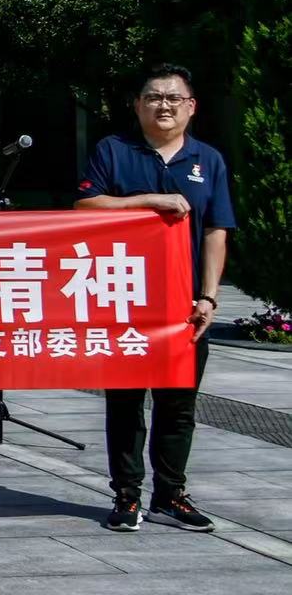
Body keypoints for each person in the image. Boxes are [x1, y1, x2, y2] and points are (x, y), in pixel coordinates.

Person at [74, 63, 235, 534]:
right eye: (153, 97)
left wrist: (208, 296)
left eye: (172, 97)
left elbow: (216, 231)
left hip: (184, 307)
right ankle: (127, 495)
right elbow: (86, 205)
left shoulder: (208, 159)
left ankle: (170, 495)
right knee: (125, 403)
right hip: (125, 302)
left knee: (178, 405)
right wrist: (148, 200)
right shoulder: (114, 150)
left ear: (191, 107)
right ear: (138, 105)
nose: (163, 105)